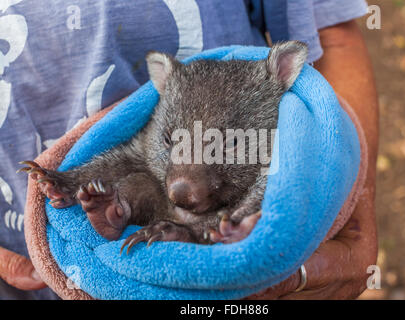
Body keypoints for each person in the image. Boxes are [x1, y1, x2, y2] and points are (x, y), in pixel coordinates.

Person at [0, 0, 378, 299]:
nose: (187, 183)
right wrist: (70, 180)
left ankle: (202, 231)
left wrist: (354, 217)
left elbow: (333, 37)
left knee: (249, 204)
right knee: (134, 179)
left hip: (223, 231)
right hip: (24, 259)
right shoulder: (165, 120)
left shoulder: (268, 106)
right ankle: (119, 209)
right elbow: (128, 156)